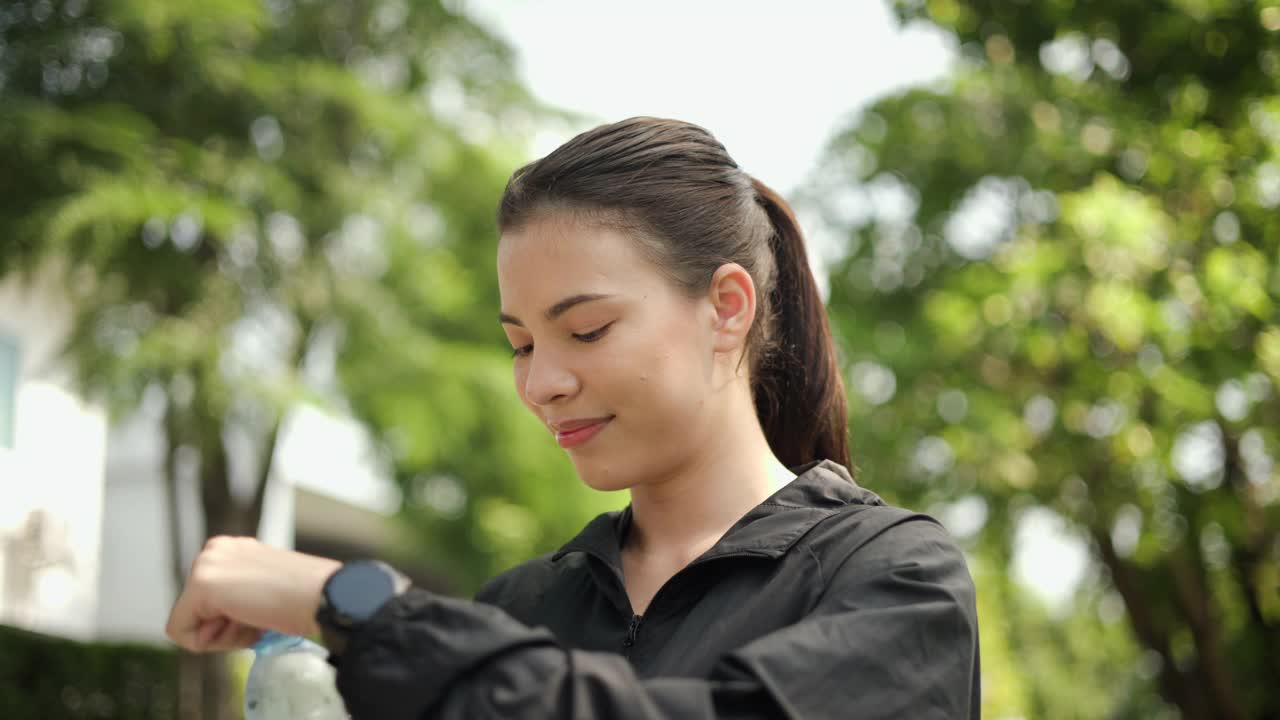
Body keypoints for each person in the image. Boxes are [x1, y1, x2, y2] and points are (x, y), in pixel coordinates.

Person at [166, 117, 981, 719]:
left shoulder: (895, 581)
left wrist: (360, 607)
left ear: (726, 308)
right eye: (521, 345)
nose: (542, 384)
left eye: (586, 330)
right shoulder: (519, 606)